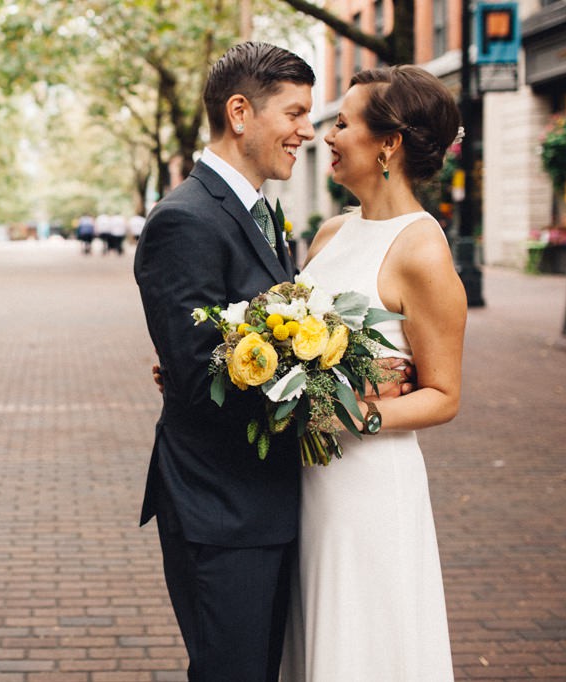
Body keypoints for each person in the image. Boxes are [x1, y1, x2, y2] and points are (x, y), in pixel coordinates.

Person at [133, 42, 316, 681]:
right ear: (241, 112)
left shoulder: (261, 214)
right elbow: (200, 376)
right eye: (294, 113)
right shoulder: (184, 221)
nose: (307, 131)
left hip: (262, 502)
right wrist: (337, 392)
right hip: (221, 508)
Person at [280, 65, 465, 680]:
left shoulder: (422, 248)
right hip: (304, 478)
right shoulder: (331, 233)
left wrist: (358, 411)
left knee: (363, 641)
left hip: (367, 483)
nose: (325, 136)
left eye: (341, 123)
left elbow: (443, 394)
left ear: (388, 144)